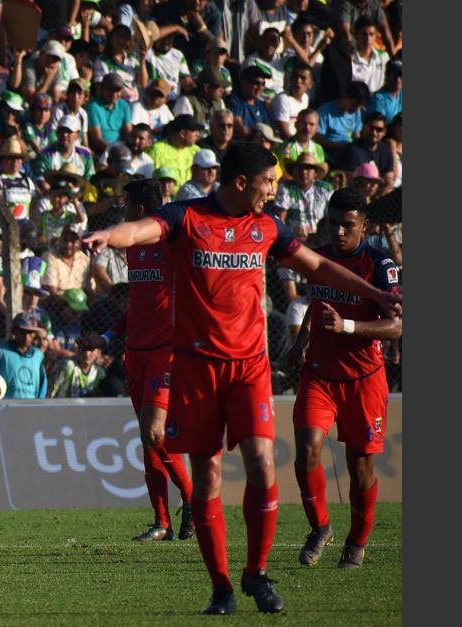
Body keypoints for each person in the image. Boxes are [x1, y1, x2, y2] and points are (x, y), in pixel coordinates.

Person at [83, 142, 401, 615]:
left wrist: (373, 291)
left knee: (262, 463)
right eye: (268, 181)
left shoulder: (267, 227)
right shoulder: (186, 218)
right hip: (195, 368)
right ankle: (222, 588)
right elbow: (141, 228)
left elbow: (317, 266)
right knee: (208, 477)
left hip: (250, 368)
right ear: (240, 183)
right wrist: (111, 235)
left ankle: (257, 571)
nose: (274, 189)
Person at [288, 188, 402, 569]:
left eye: (347, 225)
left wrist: (347, 326)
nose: (338, 232)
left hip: (364, 379)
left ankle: (356, 542)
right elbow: (316, 304)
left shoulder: (380, 264)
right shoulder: (317, 257)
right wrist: (304, 337)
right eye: (333, 223)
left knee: (360, 466)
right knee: (306, 448)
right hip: (319, 375)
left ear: (364, 226)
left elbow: (396, 326)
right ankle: (320, 527)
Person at [78, 177, 194, 542]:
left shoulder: (173, 244)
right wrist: (108, 336)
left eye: (126, 205)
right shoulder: (135, 250)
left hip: (166, 354)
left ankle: (193, 500)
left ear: (140, 210)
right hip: (136, 352)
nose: (122, 211)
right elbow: (139, 306)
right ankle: (161, 521)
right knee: (149, 441)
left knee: (154, 432)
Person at [0, 312, 48, 400]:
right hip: (4, 406)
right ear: (14, 331)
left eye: (30, 333)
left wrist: (40, 401)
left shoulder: (37, 356)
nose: (26, 336)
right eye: (22, 332)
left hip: (30, 404)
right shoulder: (1, 351)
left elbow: (43, 381)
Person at [275, 153, 333, 240]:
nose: (304, 172)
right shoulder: (285, 187)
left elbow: (333, 214)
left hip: (319, 240)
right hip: (293, 240)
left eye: (308, 168)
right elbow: (280, 219)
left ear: (315, 173)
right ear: (294, 171)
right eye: (300, 168)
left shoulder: (325, 189)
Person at [147, 114, 203, 193]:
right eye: (194, 131)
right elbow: (149, 180)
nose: (197, 135)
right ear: (182, 134)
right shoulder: (157, 150)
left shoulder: (196, 150)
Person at [171, 67, 228, 135]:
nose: (222, 90)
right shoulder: (186, 101)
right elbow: (184, 134)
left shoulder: (220, 103)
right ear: (206, 87)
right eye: (218, 87)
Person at [87, 73, 133, 155]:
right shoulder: (93, 106)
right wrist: (115, 152)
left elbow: (128, 134)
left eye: (117, 90)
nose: (114, 94)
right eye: (110, 90)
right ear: (102, 89)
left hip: (121, 148)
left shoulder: (124, 105)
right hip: (102, 151)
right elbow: (97, 139)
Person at [224, 65, 273, 140]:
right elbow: (242, 131)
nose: (260, 88)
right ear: (243, 82)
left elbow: (268, 132)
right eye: (256, 83)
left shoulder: (261, 105)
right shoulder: (234, 101)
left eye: (263, 84)